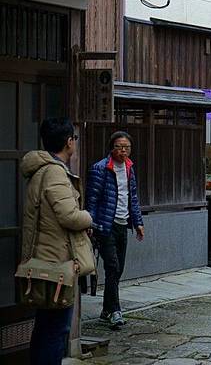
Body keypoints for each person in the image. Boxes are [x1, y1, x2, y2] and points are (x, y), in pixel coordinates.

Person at [21, 118, 93, 365]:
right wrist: (89, 216)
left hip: (45, 258)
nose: (74, 142)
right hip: (56, 264)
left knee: (46, 326)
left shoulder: (41, 170)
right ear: (68, 142)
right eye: (73, 138)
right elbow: (69, 216)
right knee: (56, 329)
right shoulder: (54, 171)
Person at [86, 131, 144, 329]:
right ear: (112, 148)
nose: (123, 151)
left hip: (122, 223)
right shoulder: (100, 168)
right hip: (105, 225)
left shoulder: (129, 168)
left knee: (118, 269)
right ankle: (116, 311)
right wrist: (91, 225)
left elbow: (133, 198)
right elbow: (92, 200)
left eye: (126, 147)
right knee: (112, 266)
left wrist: (138, 223)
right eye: (119, 147)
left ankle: (106, 310)